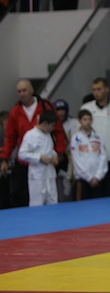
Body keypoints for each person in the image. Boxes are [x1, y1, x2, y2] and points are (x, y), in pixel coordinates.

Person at [0, 79, 66, 207]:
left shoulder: (45, 106)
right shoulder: (15, 111)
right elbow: (10, 137)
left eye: (24, 90)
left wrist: (58, 153)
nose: (22, 94)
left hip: (46, 160)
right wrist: (4, 158)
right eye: (19, 91)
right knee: (19, 194)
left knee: (50, 195)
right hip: (25, 160)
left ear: (31, 90)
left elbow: (58, 131)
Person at [80, 77, 110, 197]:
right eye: (94, 90)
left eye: (99, 89)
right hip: (90, 159)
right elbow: (80, 133)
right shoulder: (86, 108)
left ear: (107, 89)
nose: (96, 92)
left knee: (109, 193)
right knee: (91, 196)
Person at [17, 110, 59, 206]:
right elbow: (22, 154)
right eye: (52, 125)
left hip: (49, 174)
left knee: (53, 201)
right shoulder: (30, 135)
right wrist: (39, 157)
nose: (53, 128)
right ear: (45, 123)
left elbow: (49, 149)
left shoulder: (48, 134)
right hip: (37, 175)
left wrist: (54, 155)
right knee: (37, 203)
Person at [69, 109, 108, 200]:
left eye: (90, 119)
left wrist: (98, 176)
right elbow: (76, 159)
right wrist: (88, 177)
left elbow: (103, 156)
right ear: (80, 121)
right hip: (82, 179)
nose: (88, 122)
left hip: (97, 178)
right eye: (85, 119)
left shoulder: (98, 137)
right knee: (82, 204)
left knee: (98, 203)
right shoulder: (76, 138)